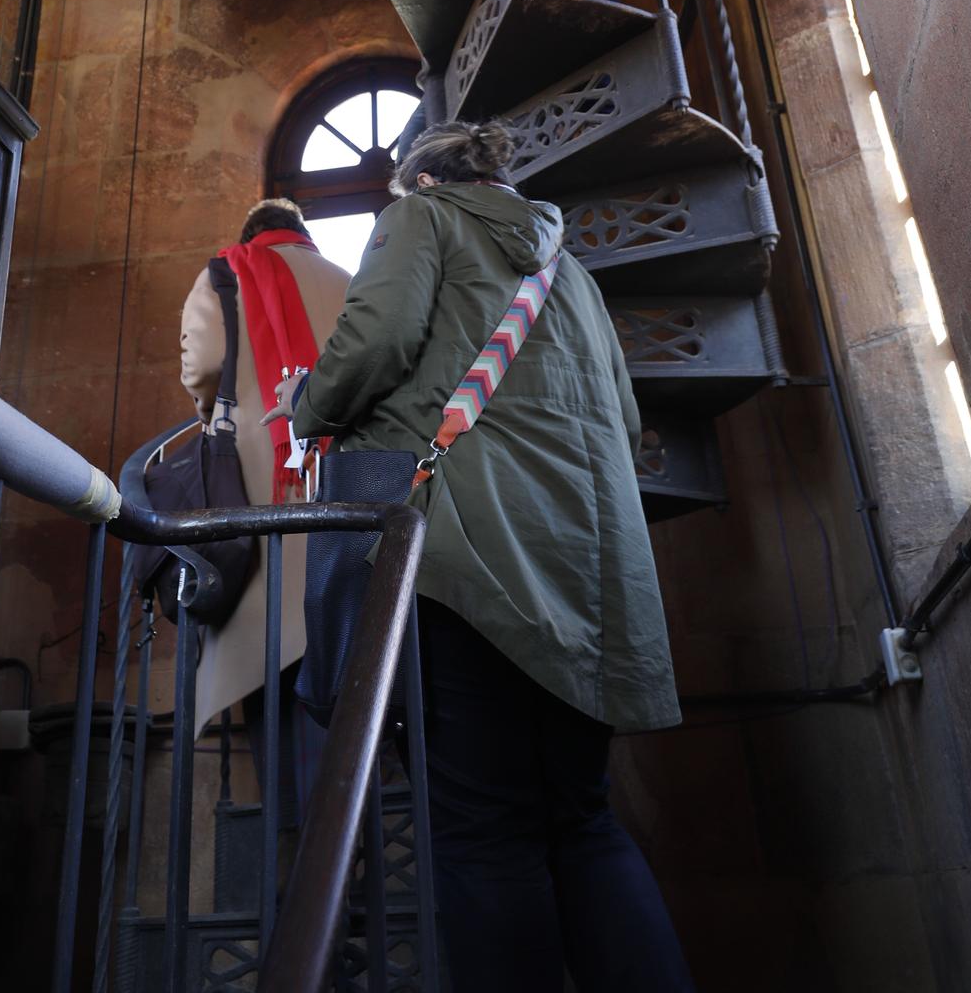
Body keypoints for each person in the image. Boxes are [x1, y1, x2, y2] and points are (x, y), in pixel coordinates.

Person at [270, 120, 695, 993]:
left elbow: (378, 340)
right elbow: (623, 421)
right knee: (582, 822)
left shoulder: (423, 219)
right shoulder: (567, 271)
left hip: (465, 560)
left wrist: (303, 405)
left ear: (419, 183)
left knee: (481, 831)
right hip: (588, 575)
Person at [178, 196, 350, 786]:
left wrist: (220, 415)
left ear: (252, 235)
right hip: (348, 489)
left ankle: (302, 844)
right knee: (351, 658)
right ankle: (347, 836)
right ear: (304, 236)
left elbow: (202, 367)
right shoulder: (352, 280)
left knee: (272, 652)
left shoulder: (227, 273)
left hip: (262, 493)